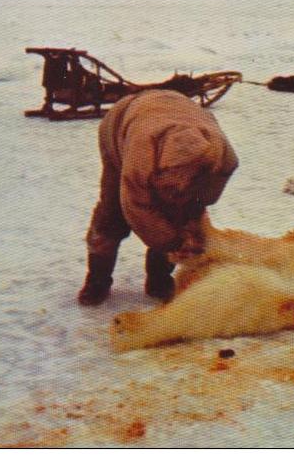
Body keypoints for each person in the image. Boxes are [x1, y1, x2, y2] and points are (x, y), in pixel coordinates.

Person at [78, 89, 239, 306]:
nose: (179, 187)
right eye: (174, 180)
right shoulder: (141, 154)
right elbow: (136, 207)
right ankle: (97, 280)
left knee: (180, 214)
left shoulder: (221, 154)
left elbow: (207, 196)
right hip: (121, 122)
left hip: (174, 110)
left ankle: (159, 278)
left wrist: (191, 215)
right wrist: (173, 242)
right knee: (112, 213)